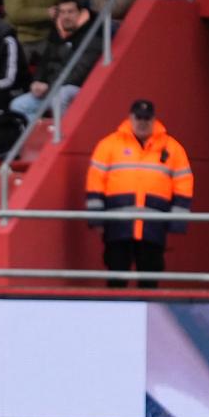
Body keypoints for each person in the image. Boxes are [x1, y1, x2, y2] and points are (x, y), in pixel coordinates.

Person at [83, 98, 192, 288]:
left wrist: (177, 221)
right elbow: (95, 182)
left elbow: (184, 183)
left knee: (150, 277)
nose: (142, 122)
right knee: (116, 275)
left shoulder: (173, 148)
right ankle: (116, 314)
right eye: (139, 117)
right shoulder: (109, 145)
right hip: (118, 227)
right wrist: (96, 219)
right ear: (130, 118)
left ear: (154, 119)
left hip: (153, 228)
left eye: (147, 118)